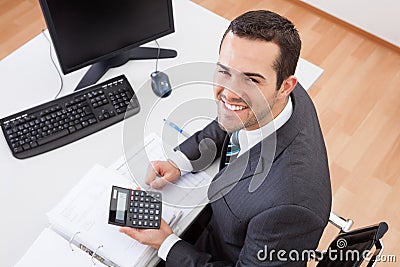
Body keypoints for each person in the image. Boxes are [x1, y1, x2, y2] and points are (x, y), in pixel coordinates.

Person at [120, 10, 332, 266]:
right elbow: (230, 119)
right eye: (224, 72)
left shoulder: (290, 207)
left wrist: (165, 243)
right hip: (215, 219)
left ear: (286, 86)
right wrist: (182, 162)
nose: (230, 92)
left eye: (251, 80)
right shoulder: (281, 100)